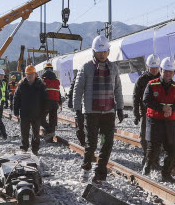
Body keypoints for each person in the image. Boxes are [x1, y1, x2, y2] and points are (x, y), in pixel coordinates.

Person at [72, 35, 124, 185]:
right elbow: (78, 90)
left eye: (104, 52)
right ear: (94, 52)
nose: (102, 54)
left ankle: (100, 174)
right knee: (92, 143)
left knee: (107, 143)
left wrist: (119, 108)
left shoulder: (113, 68)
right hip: (91, 112)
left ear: (108, 52)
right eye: (99, 52)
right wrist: (77, 112)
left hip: (108, 113)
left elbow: (118, 89)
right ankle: (86, 168)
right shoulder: (86, 67)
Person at [142, 58, 175, 183]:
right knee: (153, 148)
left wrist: (172, 108)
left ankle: (166, 174)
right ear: (161, 70)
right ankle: (147, 167)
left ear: (174, 72)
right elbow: (146, 101)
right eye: (165, 71)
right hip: (154, 121)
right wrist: (162, 108)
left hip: (170, 122)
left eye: (170, 71)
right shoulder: (152, 84)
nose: (168, 74)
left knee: (171, 149)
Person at [132, 55, 161, 172]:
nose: (154, 70)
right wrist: (135, 113)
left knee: (158, 138)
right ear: (147, 66)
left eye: (156, 68)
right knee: (144, 136)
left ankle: (155, 160)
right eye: (152, 67)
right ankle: (147, 156)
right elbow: (135, 97)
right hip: (145, 113)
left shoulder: (163, 78)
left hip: (159, 114)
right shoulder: (141, 79)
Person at [13, 65, 47, 154]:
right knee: (24, 132)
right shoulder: (21, 85)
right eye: (28, 74)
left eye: (31, 74)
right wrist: (15, 111)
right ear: (25, 74)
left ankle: (35, 149)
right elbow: (16, 98)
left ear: (35, 74)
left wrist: (44, 112)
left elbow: (45, 100)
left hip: (37, 113)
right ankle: (24, 147)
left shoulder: (40, 85)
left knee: (36, 133)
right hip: (24, 113)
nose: (30, 76)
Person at [40, 63, 61, 141]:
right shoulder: (56, 81)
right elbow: (58, 92)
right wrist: (60, 102)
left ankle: (48, 130)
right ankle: (50, 137)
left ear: (45, 69)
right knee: (53, 119)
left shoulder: (44, 80)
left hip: (46, 102)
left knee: (41, 119)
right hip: (55, 102)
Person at [66, 70, 86, 145]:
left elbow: (71, 93)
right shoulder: (89, 78)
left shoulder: (76, 80)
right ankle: (83, 140)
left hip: (80, 105)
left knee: (80, 123)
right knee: (83, 123)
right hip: (84, 105)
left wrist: (70, 103)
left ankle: (83, 140)